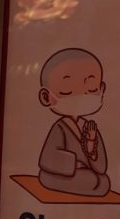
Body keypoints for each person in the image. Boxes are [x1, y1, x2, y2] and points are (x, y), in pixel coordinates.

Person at [37, 48, 111, 196]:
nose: (81, 97)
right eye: (67, 92)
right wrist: (74, 162)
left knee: (102, 181)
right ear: (46, 97)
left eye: (91, 89)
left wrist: (90, 146)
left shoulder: (90, 128)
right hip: (61, 174)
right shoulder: (60, 127)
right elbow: (47, 158)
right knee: (93, 182)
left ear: (102, 90)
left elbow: (101, 166)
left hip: (86, 175)